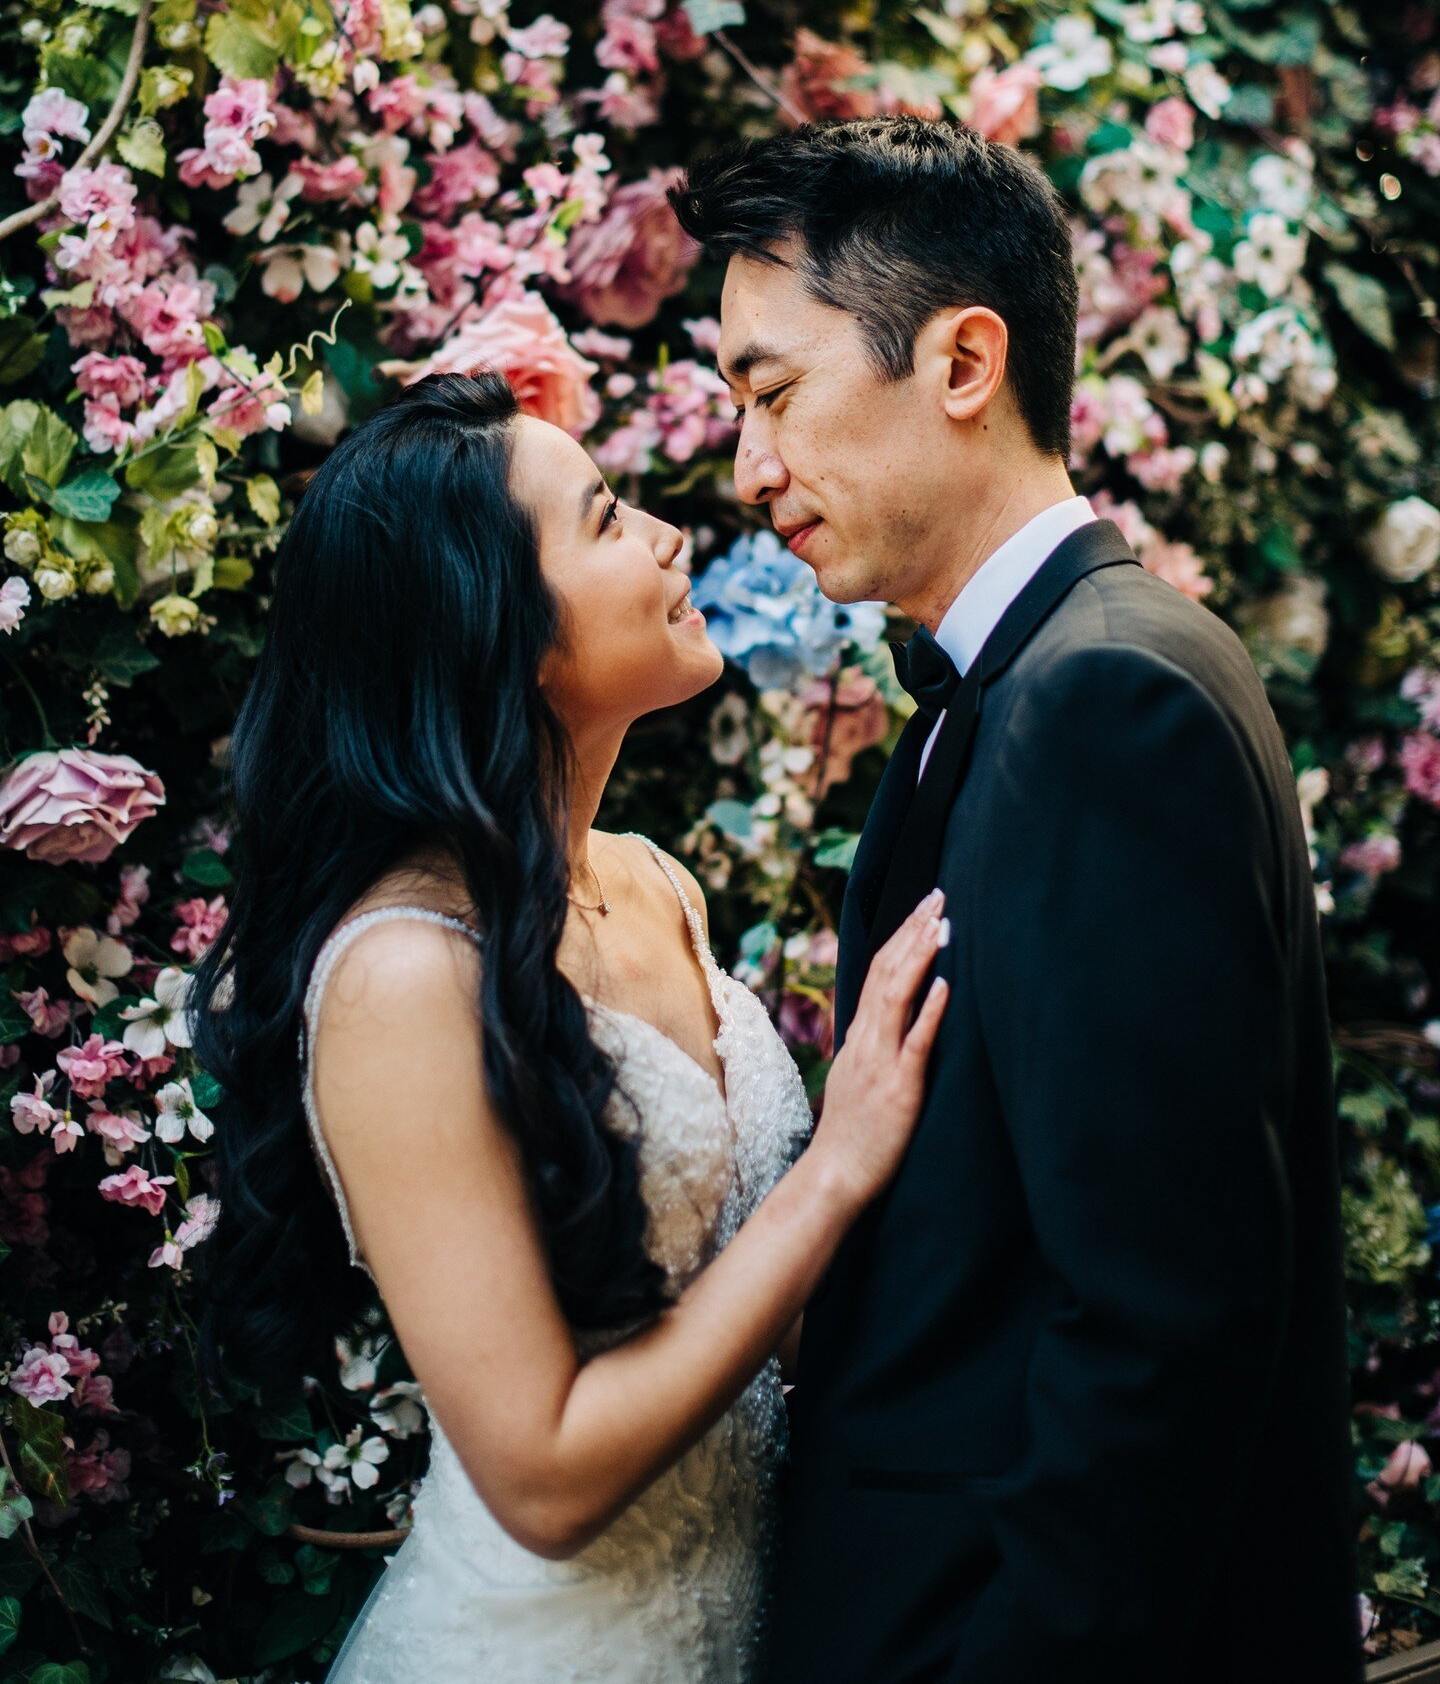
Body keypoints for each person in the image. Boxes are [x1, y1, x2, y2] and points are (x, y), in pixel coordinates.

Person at [669, 116, 1362, 1684]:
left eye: (775, 392)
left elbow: (1161, 1328)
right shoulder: (1042, 681)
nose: (749, 463)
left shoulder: (1105, 699)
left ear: (965, 362)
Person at [190, 370, 950, 1681]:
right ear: (498, 629)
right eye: (604, 519)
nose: (668, 537)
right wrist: (836, 1171)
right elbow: (539, 1475)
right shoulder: (403, 977)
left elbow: (762, 1311)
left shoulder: (658, 882)